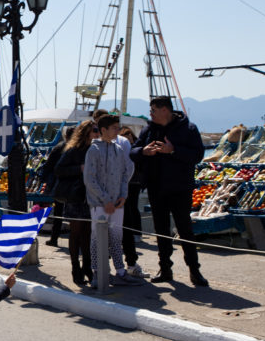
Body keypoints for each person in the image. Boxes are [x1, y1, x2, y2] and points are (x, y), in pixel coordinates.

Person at [130, 96, 208, 286]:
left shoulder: (188, 129)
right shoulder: (149, 129)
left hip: (180, 187)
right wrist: (144, 152)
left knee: (184, 229)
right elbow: (133, 151)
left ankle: (194, 270)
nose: (151, 114)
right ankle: (165, 269)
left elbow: (197, 155)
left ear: (165, 110)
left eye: (153, 110)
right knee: (161, 230)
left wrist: (173, 150)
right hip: (156, 187)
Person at [83, 114, 144, 287]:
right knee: (97, 238)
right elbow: (90, 178)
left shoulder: (118, 149)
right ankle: (98, 272)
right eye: (114, 128)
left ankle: (120, 271)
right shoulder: (93, 151)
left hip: (117, 202)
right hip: (99, 204)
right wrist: (105, 199)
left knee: (117, 237)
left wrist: (123, 195)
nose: (118, 131)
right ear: (104, 130)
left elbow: (125, 174)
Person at [55, 121, 97, 285]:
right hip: (76, 195)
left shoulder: (96, 149)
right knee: (76, 232)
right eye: (94, 130)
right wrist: (78, 169)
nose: (97, 133)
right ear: (86, 132)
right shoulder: (73, 150)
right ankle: (75, 267)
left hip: (91, 196)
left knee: (88, 233)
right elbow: (59, 169)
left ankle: (87, 266)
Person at [119, 126, 148, 277]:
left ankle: (127, 264)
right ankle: (127, 265)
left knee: (125, 226)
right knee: (123, 229)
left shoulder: (123, 144)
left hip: (124, 191)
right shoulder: (98, 147)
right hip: (119, 194)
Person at [40, 126, 74, 247]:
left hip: (59, 185)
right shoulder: (77, 148)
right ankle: (74, 240)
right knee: (74, 214)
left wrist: (44, 180)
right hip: (74, 185)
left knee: (58, 212)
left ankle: (54, 238)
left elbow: (48, 165)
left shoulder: (59, 147)